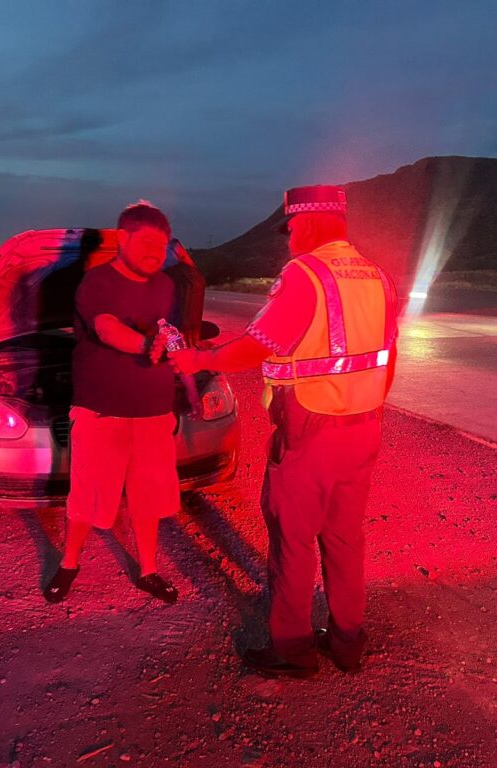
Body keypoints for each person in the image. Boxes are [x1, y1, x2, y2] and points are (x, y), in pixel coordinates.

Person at [171, 184, 399, 677]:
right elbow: (388, 355)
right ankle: (347, 640)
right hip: (364, 425)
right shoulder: (378, 276)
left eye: (291, 227)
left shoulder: (306, 275)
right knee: (344, 537)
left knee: (293, 538)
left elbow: (259, 346)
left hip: (311, 427)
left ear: (312, 224)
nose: (289, 238)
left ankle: (292, 649)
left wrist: (200, 358)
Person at [43, 201, 183, 604]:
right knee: (88, 494)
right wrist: (144, 346)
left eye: (162, 246)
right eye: (147, 244)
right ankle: (69, 564)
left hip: (154, 410)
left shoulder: (166, 285)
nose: (156, 253)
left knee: (148, 495)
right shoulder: (96, 283)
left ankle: (149, 570)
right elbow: (106, 328)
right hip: (102, 410)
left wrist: (173, 348)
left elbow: (164, 330)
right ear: (123, 239)